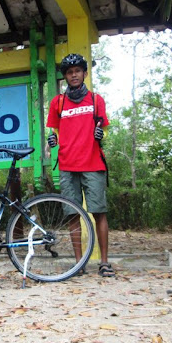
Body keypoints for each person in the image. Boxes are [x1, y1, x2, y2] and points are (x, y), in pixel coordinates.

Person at [46, 53, 114, 277]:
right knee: (72, 214)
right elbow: (53, 130)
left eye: (77, 71)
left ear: (84, 73)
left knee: (99, 212)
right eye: (69, 72)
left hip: (93, 163)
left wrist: (100, 133)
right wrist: (52, 140)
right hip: (67, 164)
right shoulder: (58, 102)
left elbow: (105, 128)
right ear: (65, 76)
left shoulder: (96, 100)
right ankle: (79, 263)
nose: (74, 75)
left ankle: (104, 262)